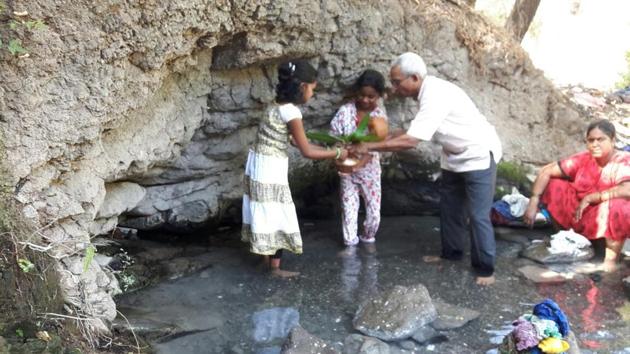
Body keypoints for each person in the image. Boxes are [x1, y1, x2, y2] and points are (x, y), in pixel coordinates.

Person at [349, 52, 503, 285]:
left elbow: (412, 141)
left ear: (414, 78)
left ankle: (486, 269)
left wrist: (369, 146)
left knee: (478, 214)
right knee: (451, 208)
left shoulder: (435, 94)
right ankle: (451, 254)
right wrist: (387, 136)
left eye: (397, 82)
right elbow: (412, 130)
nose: (394, 87)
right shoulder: (426, 93)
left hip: (478, 153)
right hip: (453, 156)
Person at [242, 59, 349, 278]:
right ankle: (275, 269)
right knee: (278, 213)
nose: (312, 93)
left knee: (264, 211)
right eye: (312, 89)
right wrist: (338, 153)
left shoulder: (274, 105)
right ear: (302, 86)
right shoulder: (292, 112)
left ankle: (264, 258)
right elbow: (306, 151)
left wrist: (327, 147)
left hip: (258, 165)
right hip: (271, 168)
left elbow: (294, 141)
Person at [524, 119, 630, 271]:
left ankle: (610, 261)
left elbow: (627, 190)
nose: (595, 144)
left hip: (604, 215)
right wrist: (533, 201)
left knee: (620, 206)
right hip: (579, 211)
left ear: (612, 140)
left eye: (601, 139)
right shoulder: (583, 158)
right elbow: (547, 170)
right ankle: (566, 238)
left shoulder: (623, 160)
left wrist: (593, 197)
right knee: (555, 184)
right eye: (591, 140)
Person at [330, 70, 388, 246]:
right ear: (356, 92)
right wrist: (339, 156)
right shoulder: (345, 112)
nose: (365, 100)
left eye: (371, 96)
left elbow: (377, 146)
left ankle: (368, 239)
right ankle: (350, 249)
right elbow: (334, 139)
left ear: (379, 95)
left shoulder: (379, 116)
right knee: (349, 213)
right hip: (346, 172)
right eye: (362, 95)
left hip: (370, 173)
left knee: (374, 215)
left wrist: (359, 163)